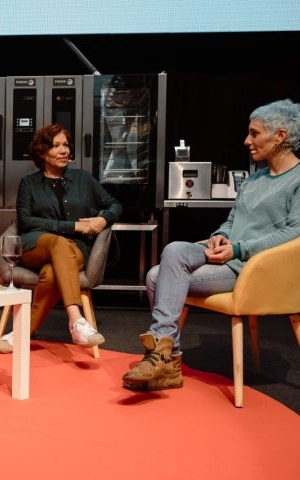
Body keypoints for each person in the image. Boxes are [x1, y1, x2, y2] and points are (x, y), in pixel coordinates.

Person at [122, 99, 300, 391]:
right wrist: (220, 235)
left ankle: (165, 359)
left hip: (254, 269)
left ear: (279, 136)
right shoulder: (255, 180)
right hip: (228, 256)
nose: (247, 141)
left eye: (254, 134)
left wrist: (239, 249)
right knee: (173, 250)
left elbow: (295, 233)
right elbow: (232, 221)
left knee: (156, 276)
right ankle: (165, 356)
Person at [0, 123, 122, 354]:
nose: (64, 150)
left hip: (76, 250)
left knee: (52, 273)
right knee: (57, 241)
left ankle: (22, 332)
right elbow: (25, 221)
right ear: (42, 152)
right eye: (56, 146)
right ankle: (76, 318)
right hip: (36, 246)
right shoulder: (29, 183)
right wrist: (72, 226)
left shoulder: (83, 179)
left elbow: (115, 204)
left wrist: (103, 220)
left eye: (66, 145)